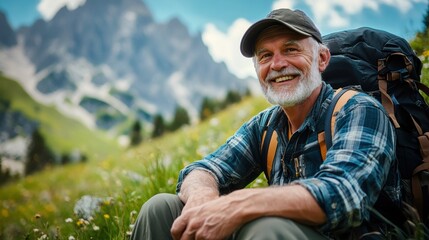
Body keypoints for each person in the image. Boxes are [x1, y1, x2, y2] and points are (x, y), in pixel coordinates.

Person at [130, 8, 400, 240]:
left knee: (265, 226)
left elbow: (344, 194)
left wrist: (239, 203)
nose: (278, 64)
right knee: (160, 208)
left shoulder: (358, 109)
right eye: (265, 56)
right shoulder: (266, 126)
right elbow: (203, 169)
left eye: (290, 49)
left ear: (322, 59)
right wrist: (203, 200)